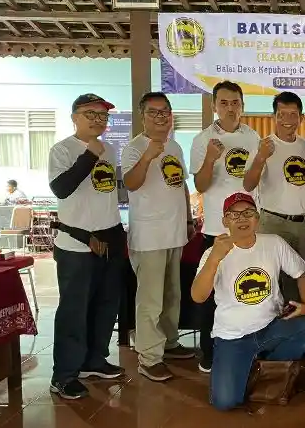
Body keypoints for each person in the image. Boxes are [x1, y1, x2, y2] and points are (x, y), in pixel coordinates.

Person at [191, 192, 305, 411]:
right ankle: (249, 365)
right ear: (225, 221)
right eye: (234, 215)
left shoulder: (273, 243)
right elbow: (198, 296)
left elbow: (300, 272)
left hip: (270, 327)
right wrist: (214, 259)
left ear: (257, 218)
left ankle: (266, 367)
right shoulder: (213, 252)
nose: (242, 219)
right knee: (225, 402)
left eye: (248, 213)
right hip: (233, 337)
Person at [47, 94, 127, 399]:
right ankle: (64, 374)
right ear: (74, 117)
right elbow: (61, 189)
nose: (98, 120)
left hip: (110, 237)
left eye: (103, 116)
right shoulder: (62, 150)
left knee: (106, 305)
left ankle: (94, 360)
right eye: (90, 114)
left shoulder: (109, 149)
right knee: (74, 310)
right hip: (77, 243)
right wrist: (89, 155)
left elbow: (106, 193)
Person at [121, 92, 197, 382]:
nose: (161, 116)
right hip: (149, 235)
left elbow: (181, 186)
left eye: (165, 111)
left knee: (172, 295)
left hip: (174, 232)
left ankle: (169, 342)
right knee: (150, 300)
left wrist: (188, 219)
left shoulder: (174, 146)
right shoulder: (134, 148)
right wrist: (147, 157)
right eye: (153, 112)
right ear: (143, 116)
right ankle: (149, 358)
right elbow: (131, 183)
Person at [190, 80, 261, 373]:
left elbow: (253, 182)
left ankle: (247, 348)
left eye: (235, 103)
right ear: (214, 106)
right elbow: (200, 184)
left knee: (247, 289)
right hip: (217, 231)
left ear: (242, 106)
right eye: (224, 103)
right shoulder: (202, 140)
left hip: (248, 230)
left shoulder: (252, 137)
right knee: (212, 295)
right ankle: (209, 352)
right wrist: (210, 158)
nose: (230, 108)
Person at [243, 91, 305, 303]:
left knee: (297, 279)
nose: (287, 120)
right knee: (270, 279)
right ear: (273, 117)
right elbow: (248, 184)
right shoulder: (262, 145)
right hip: (272, 222)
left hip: (301, 225)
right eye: (281, 114)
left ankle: (294, 320)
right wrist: (261, 157)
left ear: (301, 118)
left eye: (293, 114)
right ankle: (270, 322)